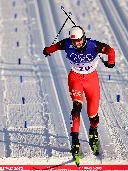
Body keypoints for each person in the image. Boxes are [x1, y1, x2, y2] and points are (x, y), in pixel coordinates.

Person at [43, 26, 115, 156]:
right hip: (75, 78)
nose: (76, 44)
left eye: (79, 40)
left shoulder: (93, 45)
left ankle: (93, 131)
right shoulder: (67, 43)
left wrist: (111, 62)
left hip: (91, 79)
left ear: (83, 37)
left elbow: (110, 50)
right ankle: (75, 140)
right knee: (76, 107)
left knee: (92, 113)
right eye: (74, 41)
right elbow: (56, 46)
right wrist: (48, 50)